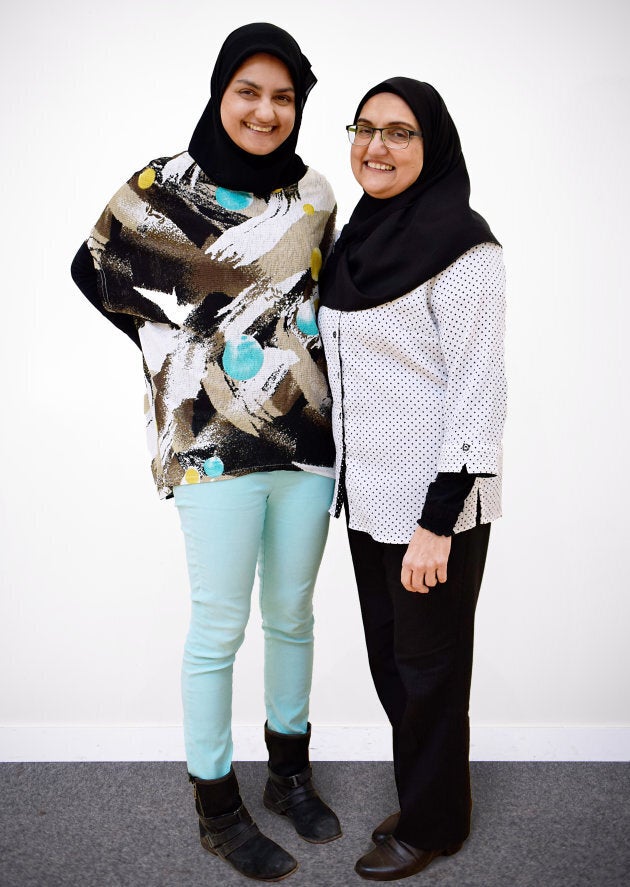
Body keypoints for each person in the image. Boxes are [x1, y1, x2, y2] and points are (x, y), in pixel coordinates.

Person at [71, 22, 341, 883]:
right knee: (219, 625)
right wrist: (170, 352)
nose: (266, 112)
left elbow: (322, 301)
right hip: (210, 448)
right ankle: (215, 806)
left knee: (293, 615)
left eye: (284, 98)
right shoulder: (161, 187)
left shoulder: (315, 196)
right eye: (249, 92)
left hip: (305, 439)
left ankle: (287, 772)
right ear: (221, 92)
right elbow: (92, 267)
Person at [318, 78, 506, 881]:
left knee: (428, 670)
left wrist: (438, 521)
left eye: (400, 133)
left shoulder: (466, 247)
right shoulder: (357, 240)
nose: (377, 147)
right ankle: (439, 799)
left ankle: (432, 824)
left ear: (433, 148)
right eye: (365, 129)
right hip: (368, 498)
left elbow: (479, 389)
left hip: (435, 507)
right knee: (395, 664)